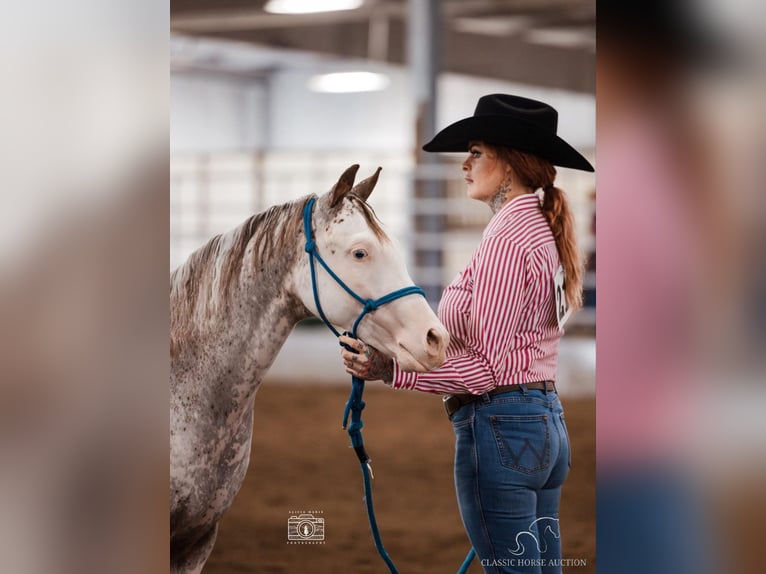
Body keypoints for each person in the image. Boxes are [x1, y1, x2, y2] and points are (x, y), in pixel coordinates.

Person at [340, 94, 594, 574]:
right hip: (544, 427)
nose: (465, 164)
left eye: (477, 152)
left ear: (512, 161)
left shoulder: (506, 238)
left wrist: (391, 371)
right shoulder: (543, 230)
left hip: (501, 429)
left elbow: (489, 369)